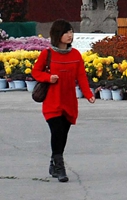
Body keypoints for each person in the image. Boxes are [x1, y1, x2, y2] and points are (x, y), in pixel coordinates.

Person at [31, 19, 95, 182]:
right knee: (57, 131)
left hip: (69, 101)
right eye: (66, 32)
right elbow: (36, 72)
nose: (70, 35)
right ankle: (60, 166)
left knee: (63, 134)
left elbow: (81, 76)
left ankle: (54, 160)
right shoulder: (48, 54)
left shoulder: (75, 55)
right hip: (52, 101)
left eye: (71, 32)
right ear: (57, 35)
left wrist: (88, 94)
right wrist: (48, 77)